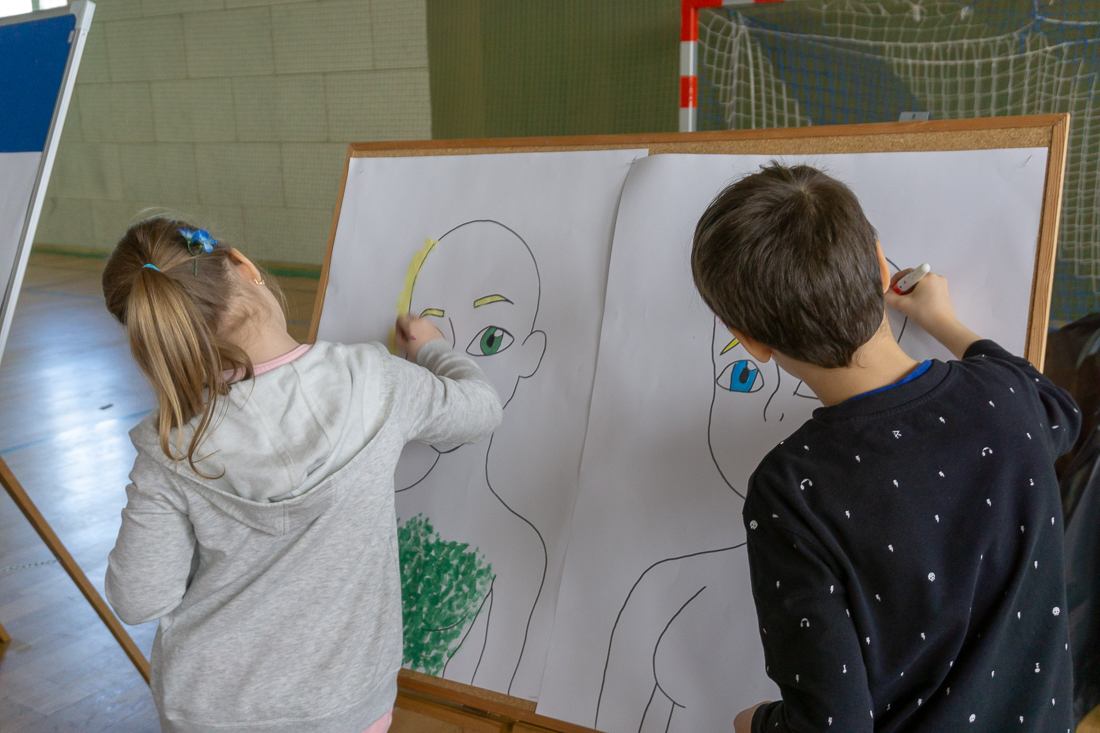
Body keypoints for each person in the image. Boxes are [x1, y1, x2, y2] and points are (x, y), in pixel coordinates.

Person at [690, 164, 1081, 733]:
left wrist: (755, 723)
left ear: (748, 340)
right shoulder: (1007, 397)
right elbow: (1060, 410)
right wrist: (945, 323)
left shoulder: (792, 490)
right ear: (879, 265)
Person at [100, 218, 502, 733]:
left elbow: (140, 599)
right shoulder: (378, 381)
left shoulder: (172, 447)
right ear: (243, 266)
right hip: (347, 707)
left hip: (212, 712)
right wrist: (431, 348)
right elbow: (481, 410)